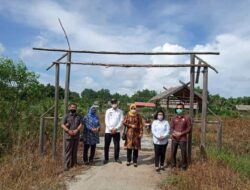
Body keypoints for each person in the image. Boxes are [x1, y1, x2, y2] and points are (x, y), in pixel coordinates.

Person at [61, 103, 83, 171]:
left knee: (74, 151)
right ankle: (66, 166)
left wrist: (77, 130)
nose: (73, 109)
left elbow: (81, 124)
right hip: (68, 136)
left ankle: (74, 164)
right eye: (72, 107)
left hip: (76, 136)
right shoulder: (66, 116)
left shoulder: (79, 116)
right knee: (68, 151)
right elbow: (62, 124)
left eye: (74, 107)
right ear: (69, 108)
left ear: (76, 108)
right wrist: (68, 130)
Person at [170, 103, 191, 170]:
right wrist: (173, 132)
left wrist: (181, 133)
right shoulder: (173, 118)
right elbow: (171, 127)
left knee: (183, 153)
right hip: (174, 138)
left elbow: (189, 128)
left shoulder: (187, 118)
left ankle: (184, 167)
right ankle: (173, 166)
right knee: (173, 152)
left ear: (183, 109)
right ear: (176, 109)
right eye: (178, 108)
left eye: (180, 108)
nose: (179, 109)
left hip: (182, 139)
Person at [103, 99, 124, 164]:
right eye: (113, 103)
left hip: (117, 131)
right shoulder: (108, 111)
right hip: (108, 131)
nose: (114, 104)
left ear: (117, 103)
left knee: (117, 145)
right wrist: (110, 128)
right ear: (111, 104)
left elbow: (121, 120)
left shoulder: (120, 111)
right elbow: (106, 120)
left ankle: (117, 158)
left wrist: (116, 128)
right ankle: (106, 158)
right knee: (106, 145)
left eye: (115, 102)